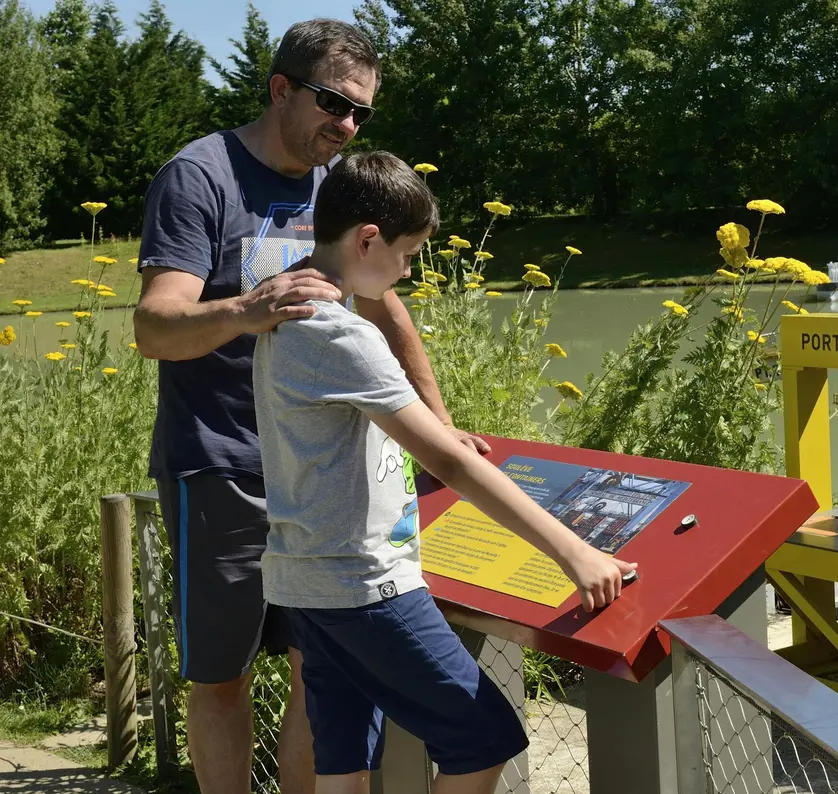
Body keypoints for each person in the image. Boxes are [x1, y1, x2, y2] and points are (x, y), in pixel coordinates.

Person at [132, 19, 486, 794]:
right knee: (219, 677)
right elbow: (155, 327)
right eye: (334, 102)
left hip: (325, 476)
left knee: (318, 670)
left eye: (362, 112)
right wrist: (249, 308)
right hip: (221, 468)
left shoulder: (337, 186)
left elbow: (387, 307)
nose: (348, 124)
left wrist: (436, 421)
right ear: (281, 89)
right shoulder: (202, 177)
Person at [252, 150, 635, 794]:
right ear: (367, 238)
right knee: (485, 739)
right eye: (406, 254)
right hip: (364, 586)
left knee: (342, 755)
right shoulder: (339, 331)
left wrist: (435, 425)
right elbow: (448, 461)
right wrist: (575, 553)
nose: (406, 270)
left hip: (307, 581)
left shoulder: (286, 313)